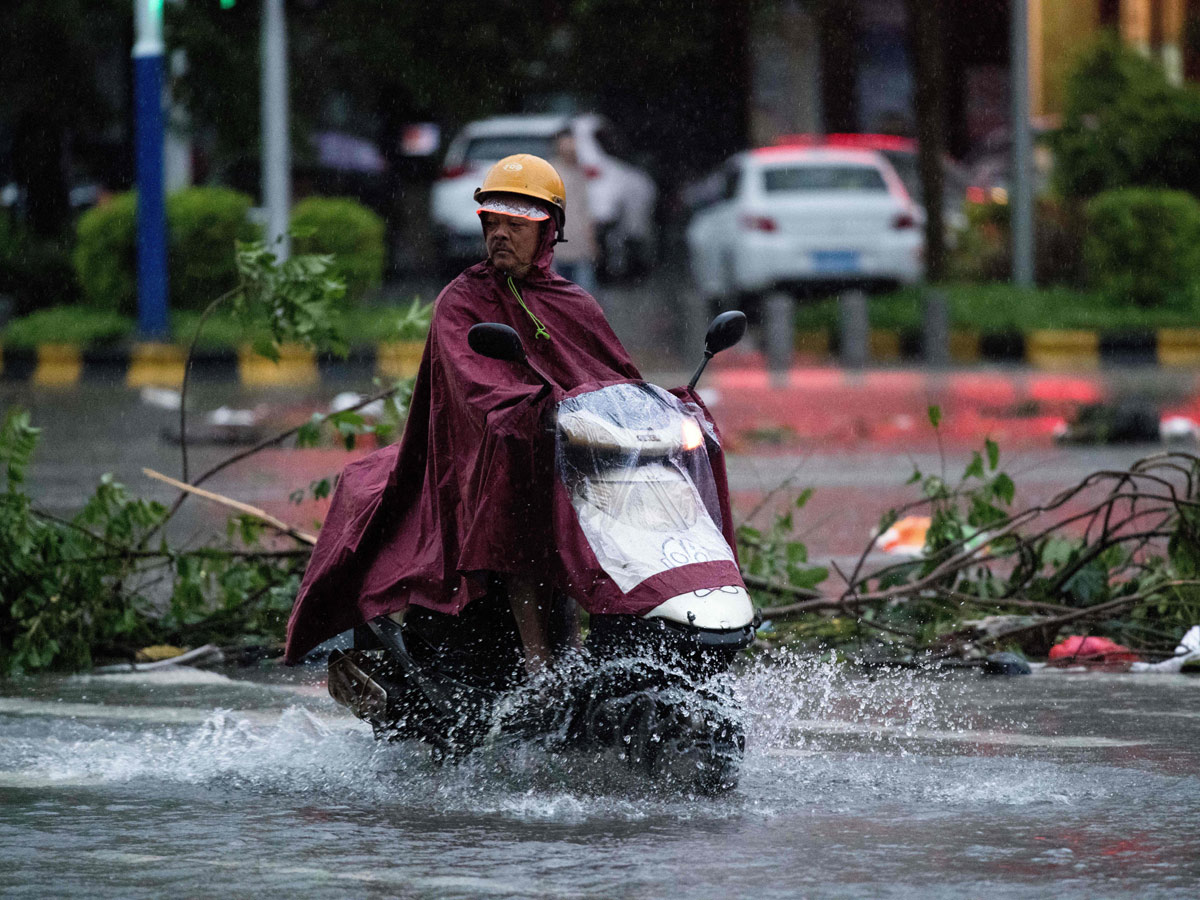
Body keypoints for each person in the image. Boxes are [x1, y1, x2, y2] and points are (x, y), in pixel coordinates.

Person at [283, 154, 642, 675]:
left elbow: (618, 380)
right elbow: (476, 388)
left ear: (549, 232)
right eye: (492, 223)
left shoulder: (575, 303)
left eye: (515, 225)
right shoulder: (462, 301)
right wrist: (526, 409)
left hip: (566, 453)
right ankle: (541, 672)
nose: (499, 235)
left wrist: (665, 407)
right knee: (515, 490)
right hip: (478, 454)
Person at [549, 129, 599, 296]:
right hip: (556, 244)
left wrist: (591, 240)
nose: (571, 148)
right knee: (558, 297)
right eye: (566, 144)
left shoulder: (579, 172)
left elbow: (586, 209)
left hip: (580, 244)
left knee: (583, 297)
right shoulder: (551, 171)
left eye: (573, 144)